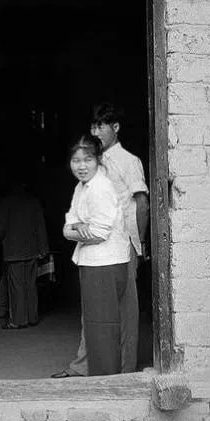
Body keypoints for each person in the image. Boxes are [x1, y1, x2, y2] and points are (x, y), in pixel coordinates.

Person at [53, 102, 148, 377]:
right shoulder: (94, 163)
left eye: (101, 126)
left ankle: (125, 369)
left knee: (125, 313)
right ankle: (86, 365)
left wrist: (138, 244)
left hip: (122, 244)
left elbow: (141, 203)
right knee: (95, 313)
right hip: (96, 247)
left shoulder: (128, 162)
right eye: (93, 126)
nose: (95, 131)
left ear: (115, 128)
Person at [63, 134, 130, 375]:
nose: (81, 166)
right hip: (93, 263)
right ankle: (100, 379)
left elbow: (99, 233)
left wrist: (74, 230)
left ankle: (107, 383)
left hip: (105, 264)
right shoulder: (83, 186)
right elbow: (69, 222)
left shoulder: (100, 187)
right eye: (75, 160)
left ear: (99, 160)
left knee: (103, 328)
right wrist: (74, 228)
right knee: (96, 327)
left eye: (87, 159)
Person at [0, 178, 49, 329]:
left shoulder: (6, 202)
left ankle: (18, 320)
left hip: (13, 250)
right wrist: (43, 249)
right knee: (30, 285)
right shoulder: (34, 202)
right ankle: (32, 317)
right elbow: (40, 226)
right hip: (32, 250)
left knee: (16, 287)